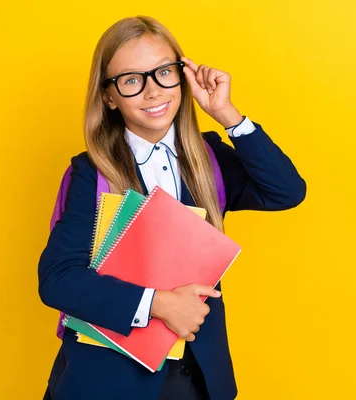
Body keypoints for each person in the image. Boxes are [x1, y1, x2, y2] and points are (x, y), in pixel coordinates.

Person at [39, 15, 306, 400]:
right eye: (132, 80)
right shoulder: (91, 173)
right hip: (110, 379)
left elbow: (286, 191)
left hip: (196, 378)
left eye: (164, 72)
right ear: (109, 97)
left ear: (182, 77)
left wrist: (227, 114)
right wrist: (157, 304)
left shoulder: (208, 158)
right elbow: (58, 280)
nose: (152, 91)